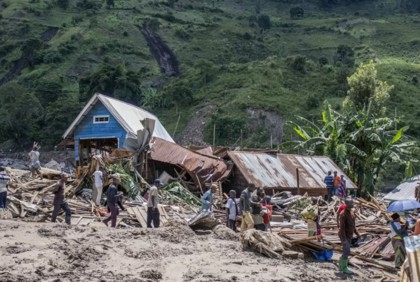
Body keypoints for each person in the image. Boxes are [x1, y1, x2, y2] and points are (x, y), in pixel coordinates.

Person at [338, 197, 360, 274]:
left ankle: (341, 266)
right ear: (346, 204)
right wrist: (344, 239)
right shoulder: (343, 214)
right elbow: (342, 228)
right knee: (347, 251)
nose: (352, 204)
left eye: (352, 203)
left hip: (349, 235)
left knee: (345, 251)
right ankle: (344, 268)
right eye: (351, 203)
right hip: (344, 235)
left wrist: (357, 233)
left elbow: (353, 225)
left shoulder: (351, 212)